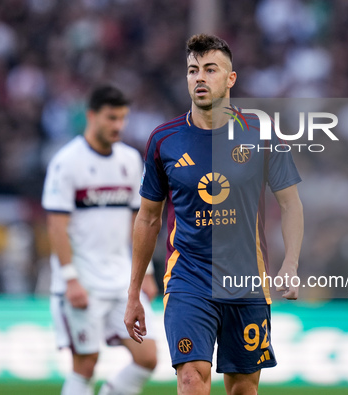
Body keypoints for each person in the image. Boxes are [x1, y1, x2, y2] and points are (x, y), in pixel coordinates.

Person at [124, 34, 304, 395]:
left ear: (230, 79)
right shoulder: (164, 140)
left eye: (210, 69)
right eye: (193, 70)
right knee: (191, 378)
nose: (200, 78)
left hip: (246, 282)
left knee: (242, 389)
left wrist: (291, 265)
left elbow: (290, 203)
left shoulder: (262, 133)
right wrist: (133, 293)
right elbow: (148, 218)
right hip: (188, 279)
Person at [42, 85, 158, 395]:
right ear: (91, 116)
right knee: (86, 363)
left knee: (148, 357)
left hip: (122, 280)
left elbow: (139, 219)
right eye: (111, 118)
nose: (118, 125)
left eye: (122, 118)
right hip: (84, 282)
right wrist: (70, 278)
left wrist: (145, 271)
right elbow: (56, 225)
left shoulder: (131, 160)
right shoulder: (66, 162)